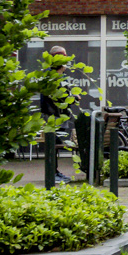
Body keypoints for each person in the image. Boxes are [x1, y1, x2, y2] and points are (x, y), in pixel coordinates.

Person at [40, 46, 77, 184]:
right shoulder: (53, 77)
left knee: (55, 145)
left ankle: (54, 172)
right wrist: (74, 98)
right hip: (54, 116)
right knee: (53, 145)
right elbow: (60, 97)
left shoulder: (55, 76)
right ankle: (52, 174)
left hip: (55, 115)